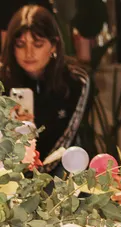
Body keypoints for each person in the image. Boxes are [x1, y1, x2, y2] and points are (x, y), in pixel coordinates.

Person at [0, 5, 89, 176]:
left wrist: (37, 176)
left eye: (38, 44)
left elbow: (66, 141)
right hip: (10, 170)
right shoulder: (3, 79)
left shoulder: (76, 80)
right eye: (20, 45)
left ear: (54, 45)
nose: (29, 53)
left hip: (59, 169)